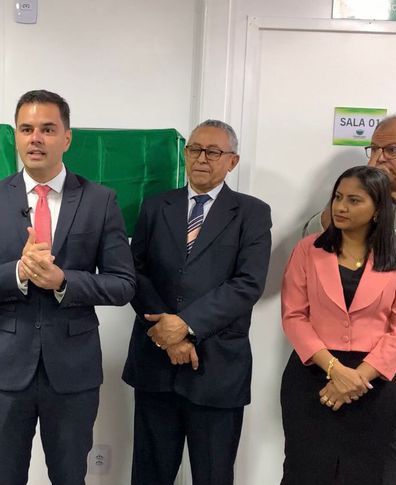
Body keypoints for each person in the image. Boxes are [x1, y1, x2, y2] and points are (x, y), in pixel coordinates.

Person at [0, 89, 135, 485]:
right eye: (26, 129)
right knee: (5, 476)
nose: (36, 138)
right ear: (16, 136)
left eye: (48, 129)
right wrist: (18, 272)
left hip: (73, 371)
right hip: (5, 369)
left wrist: (64, 281)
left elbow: (123, 285)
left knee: (69, 477)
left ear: (67, 138)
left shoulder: (100, 201)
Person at [122, 119, 272, 485]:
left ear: (232, 161)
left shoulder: (251, 213)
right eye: (194, 150)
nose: (202, 158)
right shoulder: (156, 206)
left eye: (213, 152)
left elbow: (248, 284)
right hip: (156, 363)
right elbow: (135, 272)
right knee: (149, 474)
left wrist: (186, 326)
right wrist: (167, 334)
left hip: (216, 367)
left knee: (213, 474)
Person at [281, 166, 396, 484]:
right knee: (305, 469)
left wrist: (357, 378)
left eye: (354, 200)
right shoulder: (308, 250)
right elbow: (294, 316)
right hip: (313, 374)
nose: (340, 207)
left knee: (364, 472)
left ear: (378, 209)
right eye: (338, 197)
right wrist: (336, 371)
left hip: (375, 381)